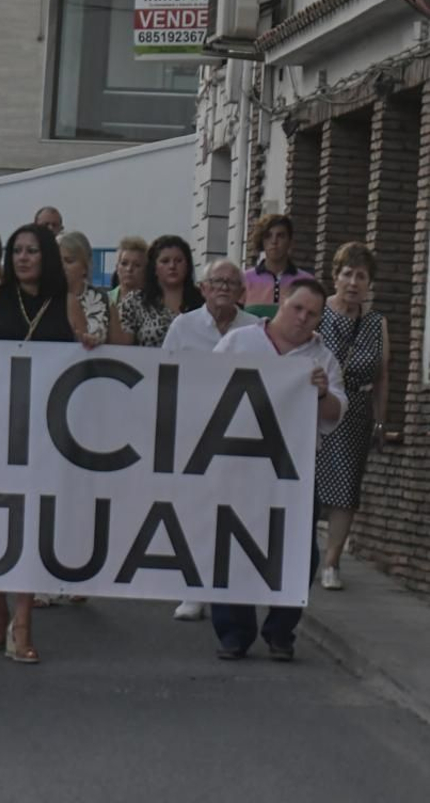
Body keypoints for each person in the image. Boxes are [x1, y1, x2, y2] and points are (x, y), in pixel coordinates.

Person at [0, 223, 89, 664]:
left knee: (31, 525)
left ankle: (22, 622)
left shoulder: (68, 303)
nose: (22, 258)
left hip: (46, 435)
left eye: (32, 251)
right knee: (0, 522)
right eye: (16, 250)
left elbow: (84, 366)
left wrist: (91, 346)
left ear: (46, 257)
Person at [211, 280, 344, 661]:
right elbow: (204, 389)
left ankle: (281, 630)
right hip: (237, 461)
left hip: (294, 468)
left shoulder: (324, 359)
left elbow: (336, 414)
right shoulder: (238, 343)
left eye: (312, 313)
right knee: (232, 544)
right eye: (297, 308)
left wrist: (320, 393)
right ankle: (234, 631)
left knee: (299, 552)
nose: (303, 318)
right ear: (281, 303)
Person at [159, 258, 259, 622]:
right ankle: (194, 590)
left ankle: (231, 590)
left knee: (236, 515)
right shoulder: (183, 328)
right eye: (216, 281)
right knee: (195, 514)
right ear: (202, 288)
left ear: (242, 292)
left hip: (242, 438)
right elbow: (163, 378)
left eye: (231, 283)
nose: (223, 288)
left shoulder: (256, 330)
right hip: (193, 436)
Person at [316, 243, 389, 591]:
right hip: (317, 405)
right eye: (347, 274)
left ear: (369, 283)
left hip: (356, 412)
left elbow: (383, 375)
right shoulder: (319, 312)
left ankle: (331, 562)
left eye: (361, 276)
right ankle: (300, 553)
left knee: (345, 488)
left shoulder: (376, 324)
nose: (353, 282)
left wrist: (380, 419)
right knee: (310, 481)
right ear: (335, 276)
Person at [111, 235, 203, 347]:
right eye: (165, 261)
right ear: (154, 267)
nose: (172, 266)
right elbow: (122, 344)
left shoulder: (203, 302)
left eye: (178, 261)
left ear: (187, 265)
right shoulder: (135, 302)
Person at [243, 213, 313, 318]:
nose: (274, 241)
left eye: (280, 236)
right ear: (262, 241)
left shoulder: (307, 282)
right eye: (268, 236)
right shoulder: (245, 279)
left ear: (290, 241)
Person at [58, 230, 111, 346]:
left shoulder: (103, 299)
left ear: (85, 267)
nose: (61, 266)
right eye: (57, 260)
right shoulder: (45, 299)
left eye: (68, 261)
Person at [110, 235, 147, 305]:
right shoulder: (103, 301)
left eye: (137, 265)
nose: (129, 269)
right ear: (117, 268)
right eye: (124, 264)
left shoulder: (154, 304)